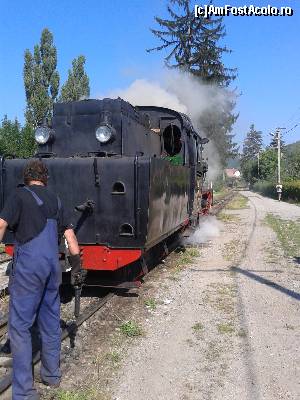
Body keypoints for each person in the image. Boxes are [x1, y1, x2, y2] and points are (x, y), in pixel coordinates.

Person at [0, 160, 81, 400]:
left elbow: (2, 224)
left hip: (29, 268)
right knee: (50, 320)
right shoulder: (55, 200)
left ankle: (24, 392)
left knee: (20, 327)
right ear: (45, 178)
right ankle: (52, 375)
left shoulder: (19, 196)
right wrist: (76, 267)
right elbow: (70, 237)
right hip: (52, 268)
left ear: (26, 178)